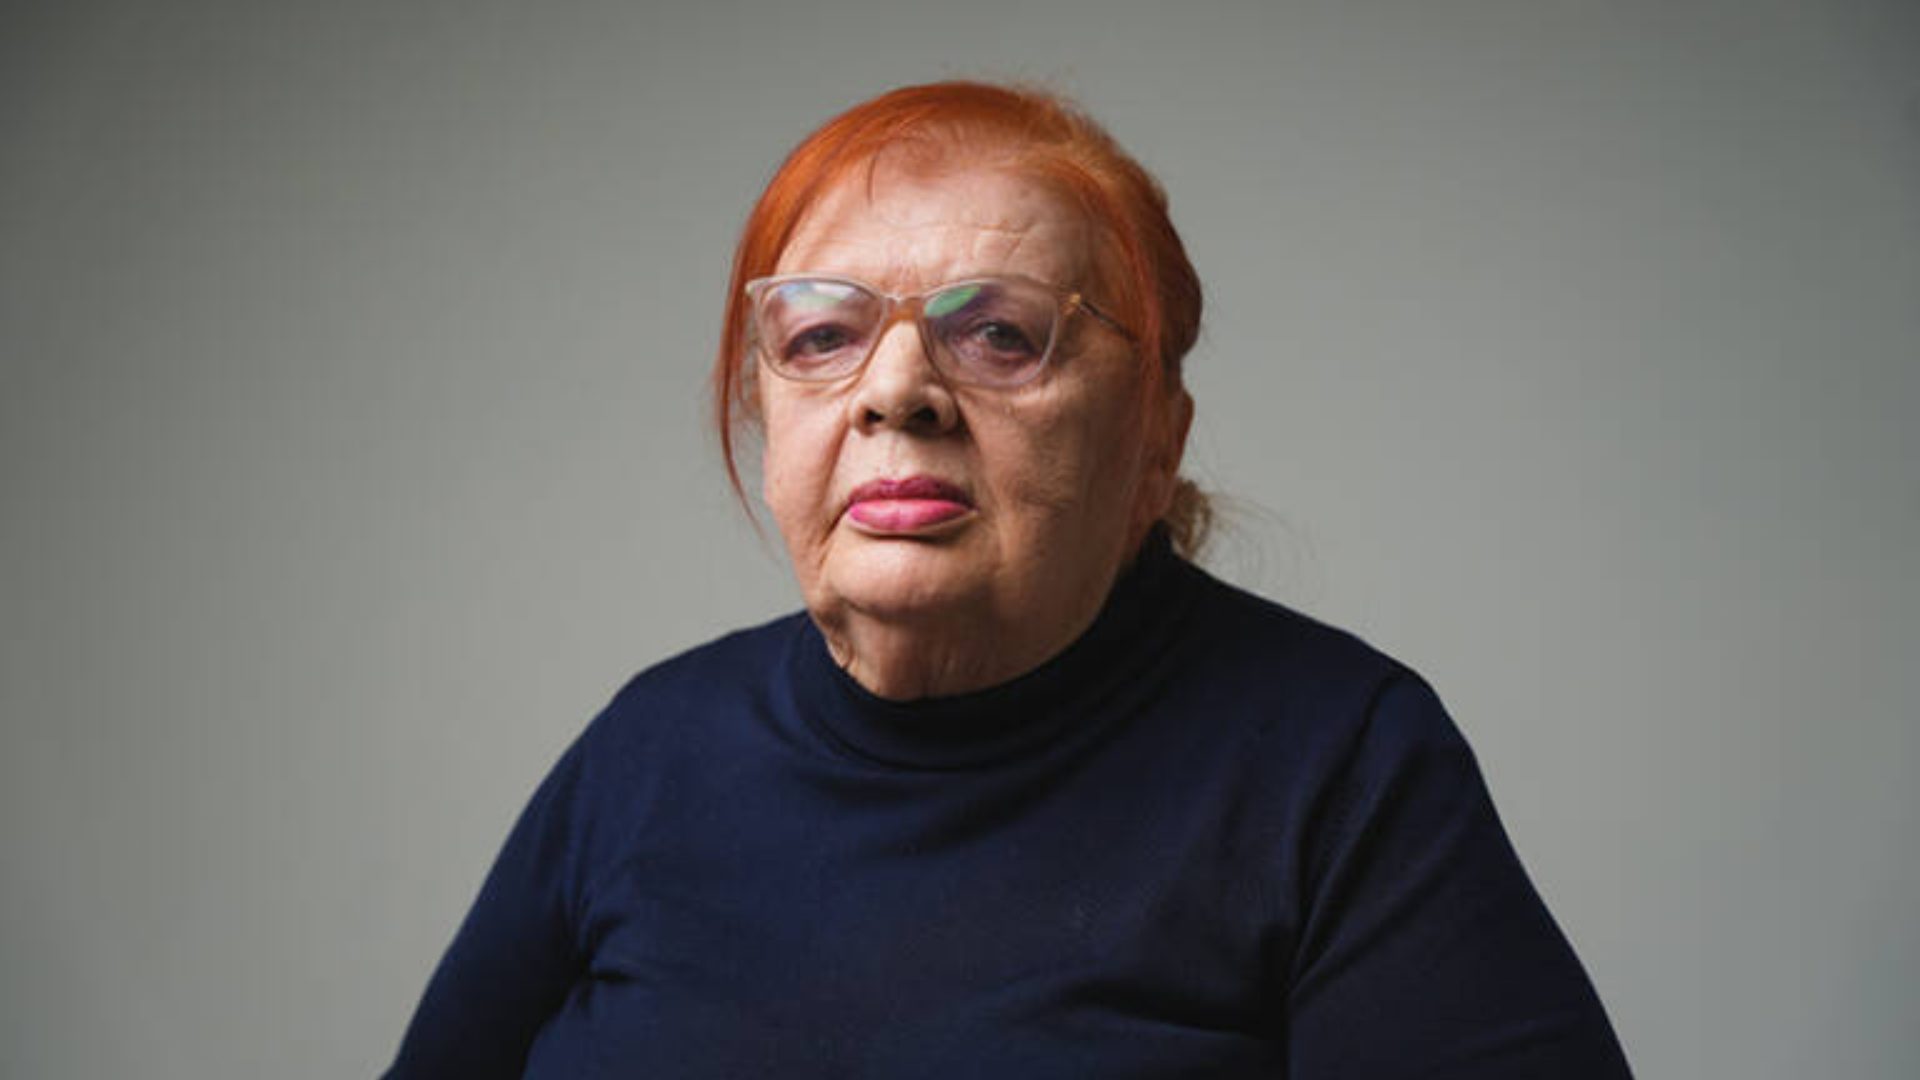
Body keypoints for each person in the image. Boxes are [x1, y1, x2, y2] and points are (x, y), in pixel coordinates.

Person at [386, 81, 1632, 1078]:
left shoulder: (1342, 764)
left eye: (1000, 332)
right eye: (822, 334)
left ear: (1155, 437)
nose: (896, 390)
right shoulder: (649, 747)